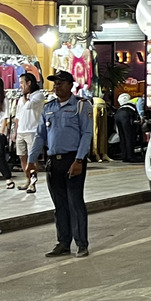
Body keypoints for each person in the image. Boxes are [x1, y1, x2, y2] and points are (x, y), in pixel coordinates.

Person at [26, 70, 94, 257]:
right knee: (60, 205)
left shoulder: (81, 105)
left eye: (61, 83)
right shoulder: (49, 108)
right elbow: (40, 135)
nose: (57, 86)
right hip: (53, 162)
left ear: (70, 85)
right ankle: (63, 243)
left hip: (73, 160)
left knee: (75, 202)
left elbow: (87, 134)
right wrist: (31, 160)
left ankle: (81, 243)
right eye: (55, 83)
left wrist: (79, 160)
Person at [10, 71, 46, 193]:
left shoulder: (38, 96)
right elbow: (18, 116)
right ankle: (28, 179)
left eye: (22, 83)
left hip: (32, 131)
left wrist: (25, 96)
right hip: (21, 131)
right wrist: (15, 132)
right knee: (22, 157)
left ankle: (33, 183)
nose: (20, 85)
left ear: (29, 83)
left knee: (32, 158)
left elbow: (28, 106)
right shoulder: (21, 99)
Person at [112, 92, 142, 163]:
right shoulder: (137, 100)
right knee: (129, 136)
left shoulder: (121, 105)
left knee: (122, 136)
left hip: (118, 114)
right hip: (126, 115)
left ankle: (124, 156)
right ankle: (130, 156)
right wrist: (141, 116)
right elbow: (140, 106)